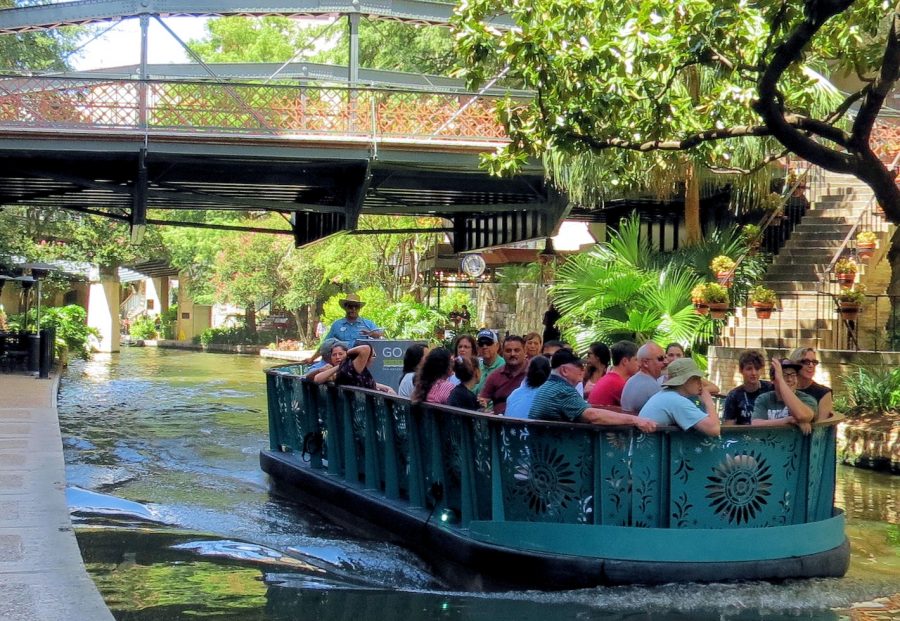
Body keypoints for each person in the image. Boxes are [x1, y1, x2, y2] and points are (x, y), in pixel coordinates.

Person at [528, 350, 657, 432]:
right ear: (564, 371)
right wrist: (636, 420)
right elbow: (593, 416)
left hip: (545, 456)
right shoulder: (562, 391)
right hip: (559, 461)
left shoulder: (548, 386)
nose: (583, 370)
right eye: (579, 366)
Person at [638, 358, 720, 436]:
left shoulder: (667, 395)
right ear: (684, 381)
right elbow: (714, 429)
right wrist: (708, 402)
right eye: (696, 379)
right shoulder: (677, 401)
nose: (700, 383)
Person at [752, 359, 816, 433]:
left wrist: (780, 380)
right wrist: (787, 420)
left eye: (793, 374)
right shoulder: (764, 399)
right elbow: (755, 424)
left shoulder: (806, 399)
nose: (790, 379)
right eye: (784, 375)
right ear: (773, 380)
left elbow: (802, 416)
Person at [478, 335, 527, 415]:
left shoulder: (533, 372)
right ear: (502, 352)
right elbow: (483, 400)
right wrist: (483, 406)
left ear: (525, 351)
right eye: (508, 351)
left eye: (517, 350)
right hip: (500, 423)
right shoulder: (494, 376)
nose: (512, 354)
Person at [722, 349, 773, 425]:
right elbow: (729, 426)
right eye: (749, 369)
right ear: (741, 370)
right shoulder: (733, 396)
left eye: (757, 369)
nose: (753, 373)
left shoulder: (770, 389)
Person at [787, 347, 834, 420]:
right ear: (795, 364)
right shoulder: (784, 390)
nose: (811, 365)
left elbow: (821, 427)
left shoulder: (824, 393)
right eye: (806, 362)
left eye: (814, 362)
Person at [587, 340, 638, 407]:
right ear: (625, 361)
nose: (639, 364)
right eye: (636, 359)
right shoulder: (618, 384)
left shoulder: (609, 378)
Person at [621, 342, 667, 412]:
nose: (665, 362)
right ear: (645, 363)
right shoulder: (651, 386)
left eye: (665, 358)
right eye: (660, 358)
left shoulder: (632, 381)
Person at [473, 329, 505, 395]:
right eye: (481, 343)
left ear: (497, 346)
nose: (484, 347)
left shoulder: (505, 367)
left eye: (488, 343)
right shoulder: (476, 367)